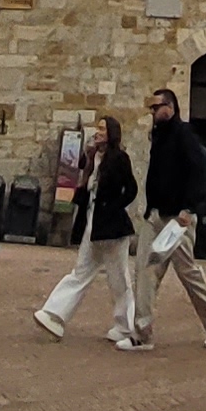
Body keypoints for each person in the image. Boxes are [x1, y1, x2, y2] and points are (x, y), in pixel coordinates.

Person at [33, 115, 143, 345]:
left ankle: (126, 326)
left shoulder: (119, 158)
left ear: (111, 133)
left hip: (112, 228)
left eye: (103, 129)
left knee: (118, 279)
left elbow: (131, 189)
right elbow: (88, 185)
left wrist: (114, 207)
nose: (98, 132)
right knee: (81, 272)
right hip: (92, 224)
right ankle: (54, 314)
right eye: (98, 128)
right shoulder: (93, 158)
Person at [133, 88, 206, 347]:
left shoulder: (184, 134)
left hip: (178, 218)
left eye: (157, 107)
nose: (153, 112)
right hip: (156, 215)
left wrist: (189, 208)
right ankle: (141, 333)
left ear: (170, 108)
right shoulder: (158, 137)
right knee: (144, 270)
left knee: (187, 272)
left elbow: (200, 169)